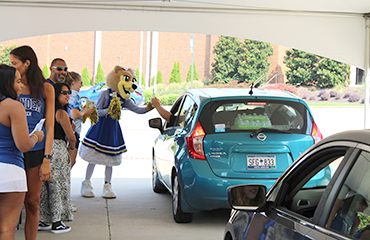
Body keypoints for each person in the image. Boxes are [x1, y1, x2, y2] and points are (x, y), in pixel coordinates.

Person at [10, 45, 54, 240]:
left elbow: (50, 126)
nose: (13, 67)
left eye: (15, 63)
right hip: (13, 150)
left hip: (36, 151)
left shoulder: (45, 88)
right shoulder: (10, 86)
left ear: (27, 63)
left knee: (33, 202)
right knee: (11, 203)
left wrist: (47, 158)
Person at [0, 64, 44, 240]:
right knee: (6, 229)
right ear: (7, 83)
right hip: (10, 171)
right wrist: (36, 137)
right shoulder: (13, 106)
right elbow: (23, 145)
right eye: (18, 81)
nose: (21, 86)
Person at [39, 82, 76, 234]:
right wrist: (71, 147)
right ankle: (57, 221)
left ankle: (42, 218)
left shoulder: (45, 111)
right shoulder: (61, 113)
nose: (68, 95)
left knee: (44, 186)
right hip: (59, 149)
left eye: (69, 93)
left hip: (43, 148)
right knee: (58, 185)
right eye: (64, 92)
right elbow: (71, 138)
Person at [63, 71, 94, 167]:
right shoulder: (74, 94)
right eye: (80, 82)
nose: (82, 85)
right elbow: (74, 114)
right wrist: (85, 111)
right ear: (73, 83)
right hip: (73, 132)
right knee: (69, 162)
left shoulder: (67, 94)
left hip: (66, 130)